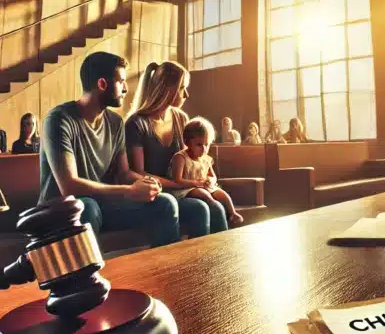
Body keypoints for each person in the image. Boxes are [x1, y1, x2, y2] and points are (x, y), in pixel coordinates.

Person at [39, 51, 181, 248]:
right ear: (102, 84)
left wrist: (148, 183)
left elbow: (123, 173)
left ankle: (163, 266)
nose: (126, 88)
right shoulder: (59, 120)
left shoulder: (115, 122)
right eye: (121, 81)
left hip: (101, 205)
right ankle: (89, 270)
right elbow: (69, 186)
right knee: (87, 207)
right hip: (60, 211)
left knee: (166, 203)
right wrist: (129, 191)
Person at [125, 61, 223, 236]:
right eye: (182, 88)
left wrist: (208, 180)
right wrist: (177, 183)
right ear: (167, 89)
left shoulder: (181, 118)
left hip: (184, 188)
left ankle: (221, 253)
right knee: (199, 208)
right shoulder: (136, 123)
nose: (186, 94)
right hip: (155, 194)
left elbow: (192, 159)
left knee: (218, 206)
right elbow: (139, 172)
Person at [170, 117, 244, 226]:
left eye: (207, 144)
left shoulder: (206, 159)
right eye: (199, 145)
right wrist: (197, 183)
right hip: (187, 189)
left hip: (204, 186)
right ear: (187, 142)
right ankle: (213, 205)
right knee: (204, 194)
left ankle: (233, 212)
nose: (204, 149)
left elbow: (213, 176)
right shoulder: (181, 157)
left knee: (222, 194)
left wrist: (211, 180)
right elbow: (177, 180)